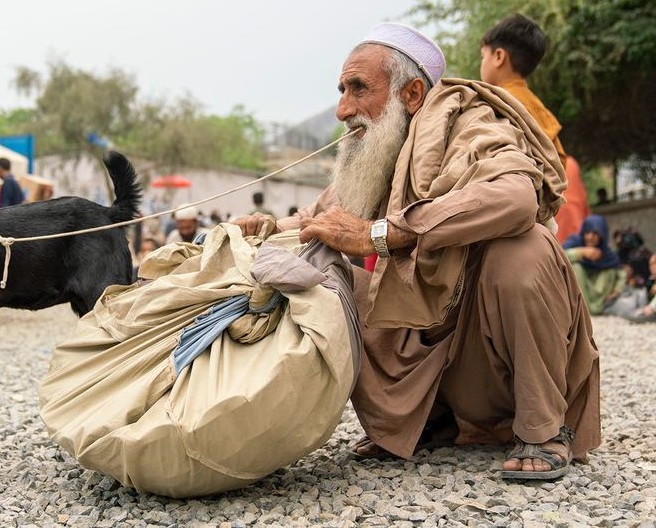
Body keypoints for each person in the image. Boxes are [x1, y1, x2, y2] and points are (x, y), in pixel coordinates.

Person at [234, 22, 599, 481]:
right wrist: (264, 227)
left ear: (411, 95)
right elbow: (323, 216)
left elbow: (516, 196)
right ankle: (428, 419)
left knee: (523, 249)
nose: (343, 109)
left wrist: (383, 233)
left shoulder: (470, 123)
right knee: (323, 272)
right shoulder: (380, 147)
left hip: (493, 351)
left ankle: (543, 428)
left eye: (358, 88)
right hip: (440, 351)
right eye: (341, 90)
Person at [478, 13, 589, 244]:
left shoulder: (491, 104)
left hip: (501, 226)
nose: (482, 63)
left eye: (483, 56)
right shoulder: (541, 111)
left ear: (499, 56)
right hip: (540, 228)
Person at [562, 215, 625, 315]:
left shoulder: (607, 254)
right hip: (579, 295)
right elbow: (558, 257)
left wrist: (616, 291)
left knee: (610, 271)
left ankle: (595, 308)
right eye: (587, 233)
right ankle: (580, 309)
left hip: (599, 298)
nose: (590, 237)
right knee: (576, 267)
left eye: (595, 233)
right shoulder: (575, 242)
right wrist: (580, 252)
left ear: (602, 235)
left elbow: (620, 273)